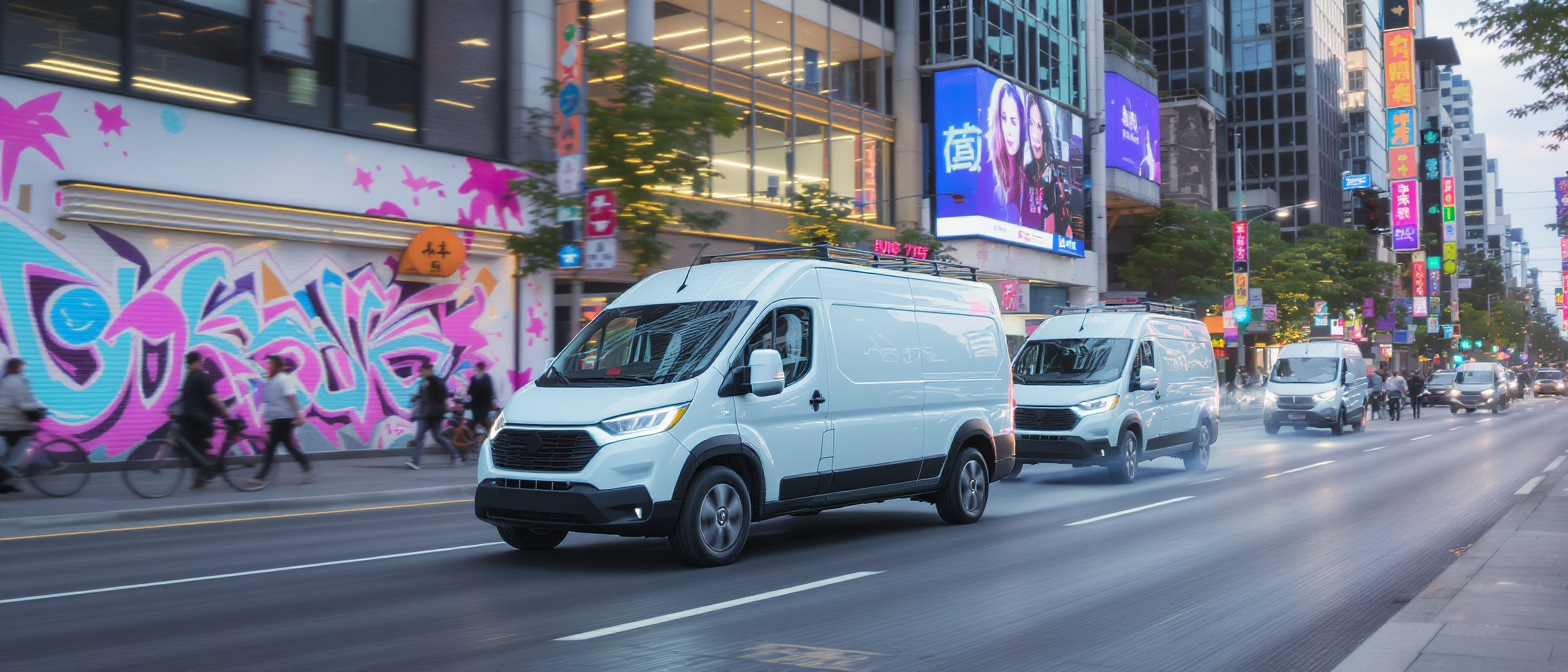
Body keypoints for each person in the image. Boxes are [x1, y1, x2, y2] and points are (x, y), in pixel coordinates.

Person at [249, 355, 313, 488]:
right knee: (287, 446)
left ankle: (260, 477)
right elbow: (271, 402)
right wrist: (267, 419)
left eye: (271, 364)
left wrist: (298, 414)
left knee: (271, 447)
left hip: (283, 418)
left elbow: (291, 397)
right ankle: (307, 467)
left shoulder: (283, 379)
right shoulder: (271, 381)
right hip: (277, 418)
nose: (268, 367)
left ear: (277, 365)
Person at [176, 352, 233, 487]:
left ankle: (202, 476)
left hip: (194, 420)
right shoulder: (201, 377)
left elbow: (209, 398)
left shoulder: (191, 377)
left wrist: (225, 413)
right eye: (200, 361)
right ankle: (202, 475)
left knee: (195, 449)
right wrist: (226, 413)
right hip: (198, 419)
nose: (201, 364)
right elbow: (213, 398)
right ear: (196, 362)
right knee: (196, 449)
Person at [0, 358, 44, 494]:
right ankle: (8, 477)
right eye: (22, 366)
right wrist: (37, 414)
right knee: (17, 457)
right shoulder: (16, 381)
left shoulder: (6, 380)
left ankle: (5, 483)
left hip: (5, 423)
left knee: (7, 456)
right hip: (14, 425)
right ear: (18, 367)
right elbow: (24, 404)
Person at [406, 363, 461, 469]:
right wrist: (416, 402)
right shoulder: (423, 382)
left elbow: (441, 396)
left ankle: (456, 455)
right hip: (425, 415)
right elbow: (423, 398)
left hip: (434, 415)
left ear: (430, 370)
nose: (422, 373)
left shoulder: (437, 382)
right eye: (421, 371)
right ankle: (415, 462)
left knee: (437, 437)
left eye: (423, 371)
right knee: (420, 436)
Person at [985, 80, 1024, 222]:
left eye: (1013, 122)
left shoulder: (1030, 173)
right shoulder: (990, 167)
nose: (1008, 131)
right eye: (1004, 118)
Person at [466, 361, 496, 432]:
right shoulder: (487, 377)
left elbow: (470, 391)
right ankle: (487, 433)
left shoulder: (474, 378)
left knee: (476, 420)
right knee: (484, 420)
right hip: (485, 404)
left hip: (476, 404)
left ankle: (476, 434)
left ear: (477, 368)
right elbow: (490, 390)